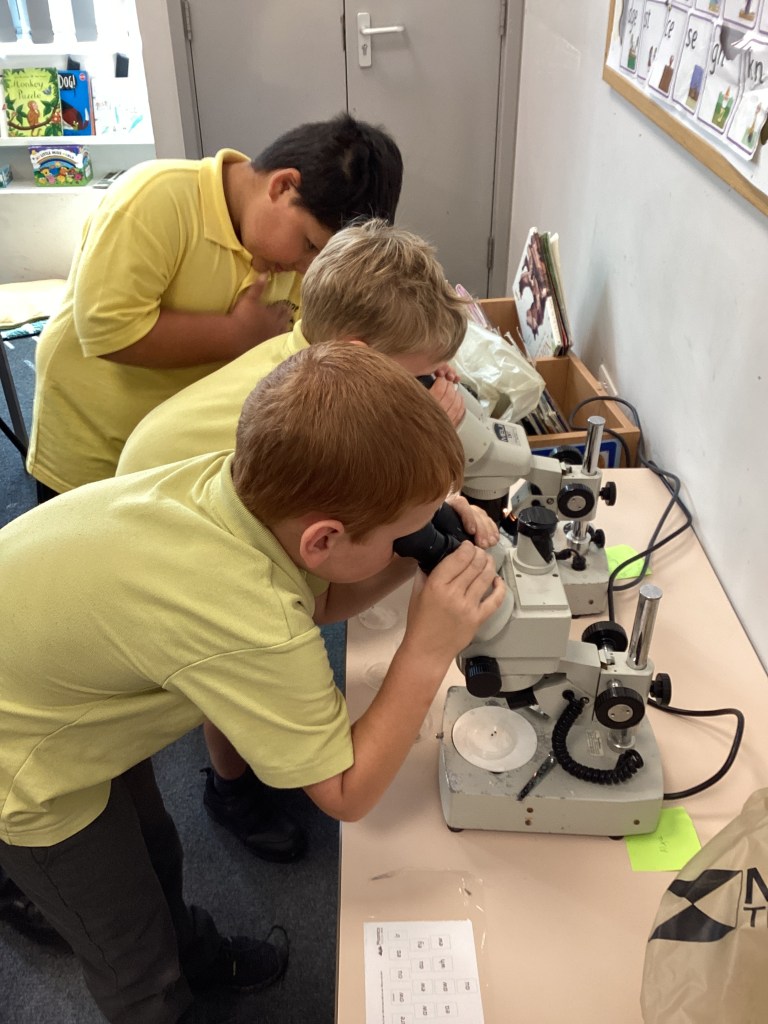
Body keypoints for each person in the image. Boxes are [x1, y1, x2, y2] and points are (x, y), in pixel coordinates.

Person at [0, 342, 505, 1024]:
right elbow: (345, 792)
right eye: (402, 535)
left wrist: (413, 558)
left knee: (154, 849)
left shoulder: (245, 489)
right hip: (25, 766)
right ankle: (163, 992)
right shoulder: (245, 611)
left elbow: (317, 600)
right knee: (126, 949)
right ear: (324, 539)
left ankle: (194, 953)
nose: (415, 541)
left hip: (65, 689)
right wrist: (425, 647)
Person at [116, 218, 497, 864]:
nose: (437, 386)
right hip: (158, 573)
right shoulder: (279, 467)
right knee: (230, 690)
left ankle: (263, 761)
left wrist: (424, 503)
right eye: (422, 376)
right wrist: (429, 643)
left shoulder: (311, 385)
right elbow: (286, 620)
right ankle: (231, 790)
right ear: (360, 353)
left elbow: (316, 597)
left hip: (157, 535)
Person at [25, 112, 403, 497]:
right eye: (309, 245)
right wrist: (236, 335)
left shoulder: (294, 261)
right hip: (91, 441)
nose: (308, 269)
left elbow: (317, 343)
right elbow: (107, 331)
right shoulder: (155, 197)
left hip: (179, 453)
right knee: (82, 542)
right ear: (282, 187)